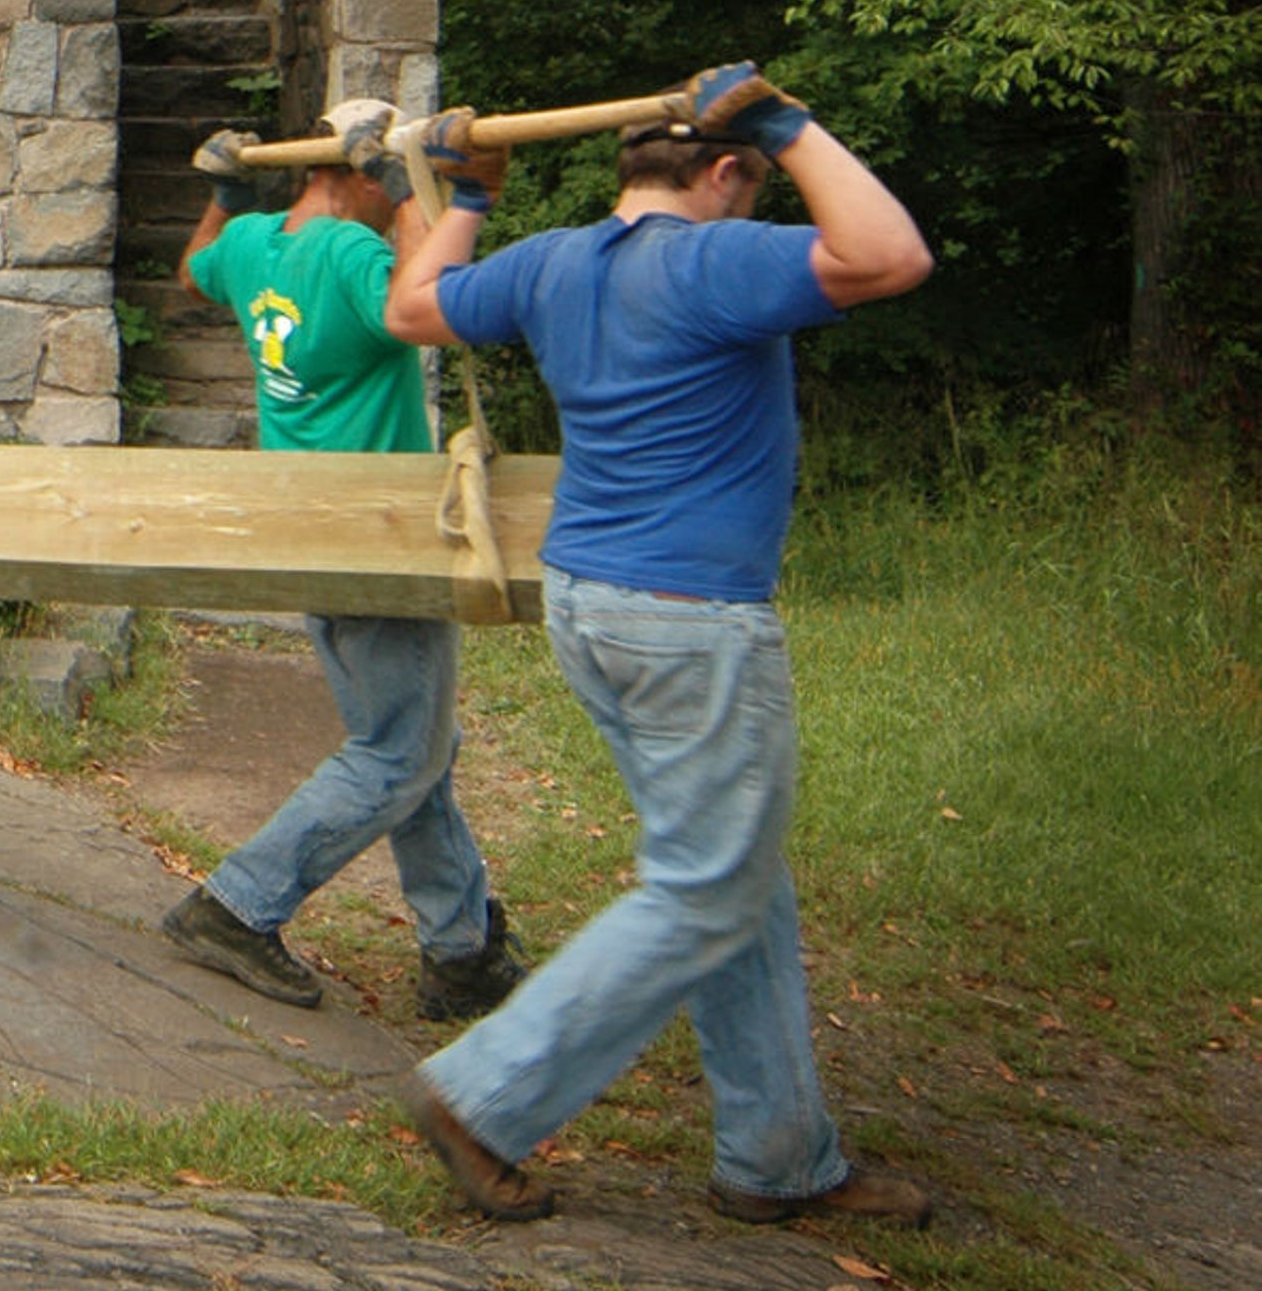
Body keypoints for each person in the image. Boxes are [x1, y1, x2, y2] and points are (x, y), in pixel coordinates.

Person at [382, 63, 937, 1229]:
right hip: (691, 621)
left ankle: (780, 1159)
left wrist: (470, 197)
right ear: (725, 169)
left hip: (591, 606)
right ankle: (486, 1095)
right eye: (753, 172)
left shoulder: (550, 262)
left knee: (735, 881)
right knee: (706, 887)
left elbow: (411, 308)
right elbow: (892, 256)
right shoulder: (718, 257)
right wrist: (794, 125)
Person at [163, 112, 527, 1020]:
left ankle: (462, 951)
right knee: (399, 752)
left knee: (414, 749)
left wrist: (222, 197)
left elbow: (191, 268)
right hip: (380, 534)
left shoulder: (251, 243)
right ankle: (237, 905)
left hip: (306, 528)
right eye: (395, 174)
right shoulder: (358, 258)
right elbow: (429, 309)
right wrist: (411, 196)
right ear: (365, 173)